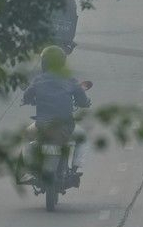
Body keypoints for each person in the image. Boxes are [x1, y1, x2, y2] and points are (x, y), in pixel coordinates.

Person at [20, 45, 91, 185]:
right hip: (66, 126)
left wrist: (26, 100)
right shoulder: (70, 80)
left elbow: (27, 96)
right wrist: (85, 103)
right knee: (82, 138)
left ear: (44, 63)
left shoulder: (38, 80)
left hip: (42, 125)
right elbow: (82, 100)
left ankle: (28, 171)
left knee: (27, 136)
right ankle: (75, 168)